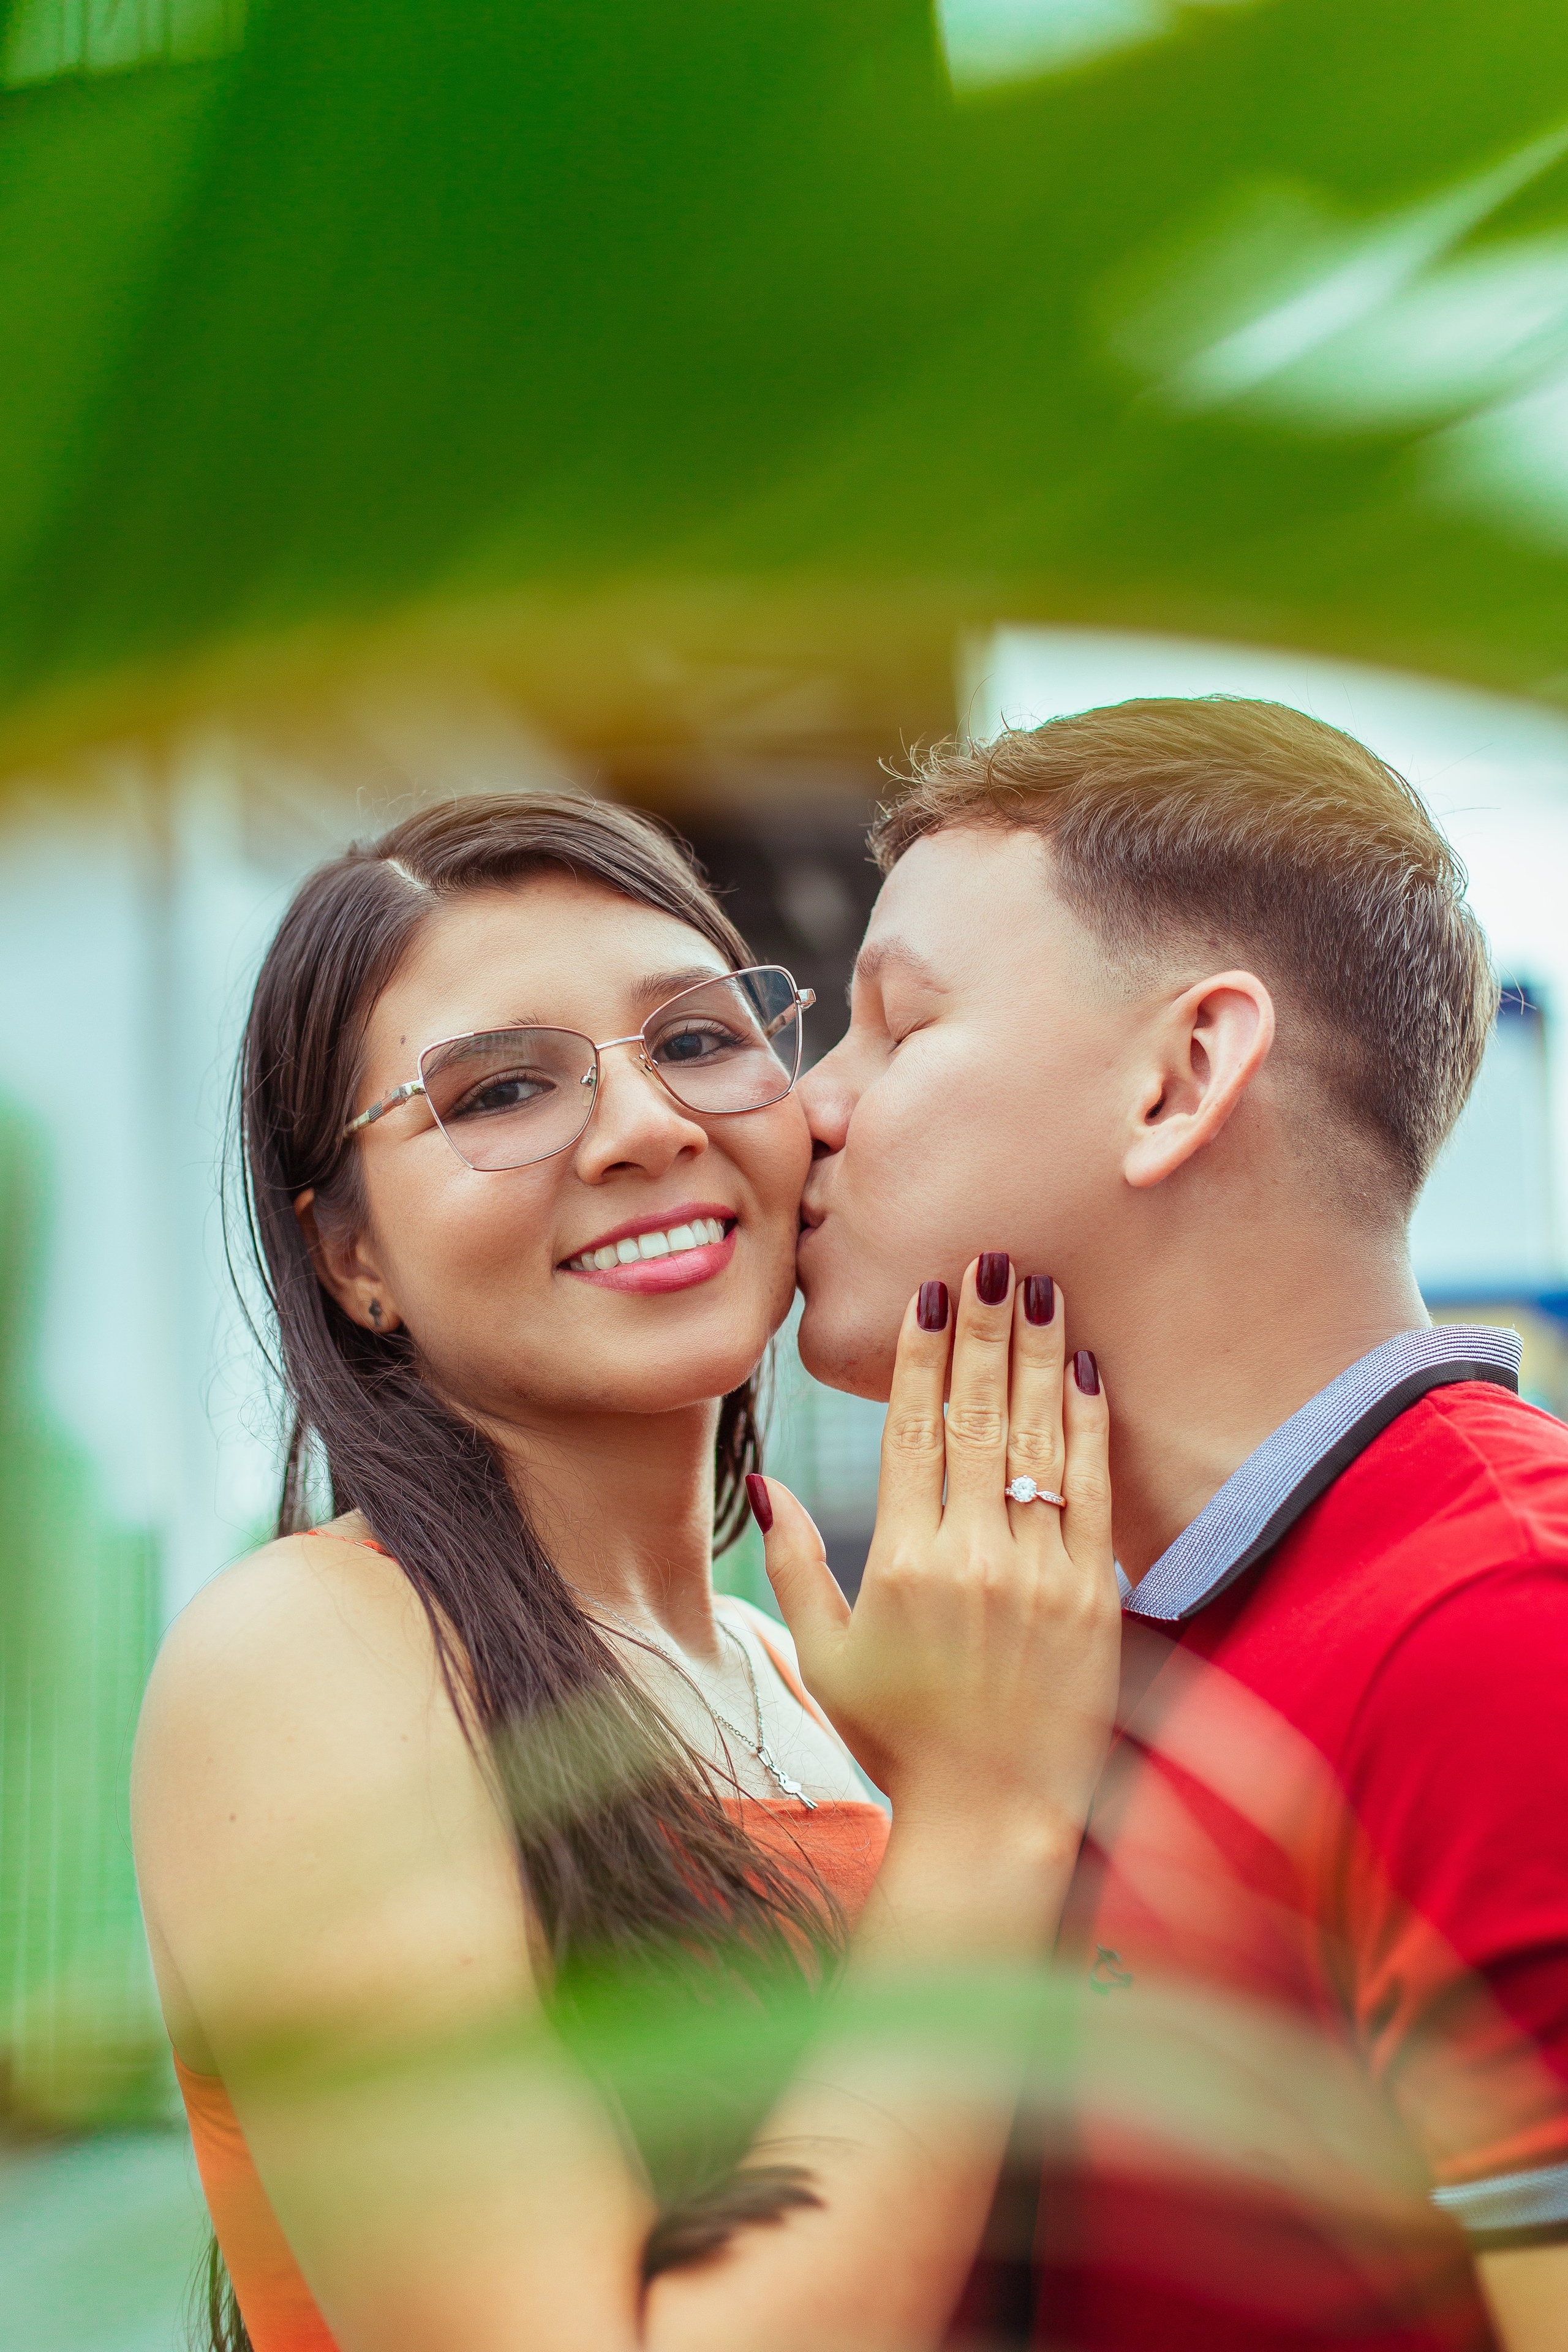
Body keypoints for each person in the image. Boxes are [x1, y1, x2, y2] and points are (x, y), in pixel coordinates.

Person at [130, 793, 1121, 2352]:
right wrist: (987, 1812)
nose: (648, 1126)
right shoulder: (304, 1653)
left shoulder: (798, 1672)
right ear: (350, 1257)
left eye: (698, 1040)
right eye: (501, 1089)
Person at [782, 695, 1568, 2352]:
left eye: (899, 1028)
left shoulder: (1503, 1626)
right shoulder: (1044, 1653)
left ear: (1183, 1075)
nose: (809, 1110)